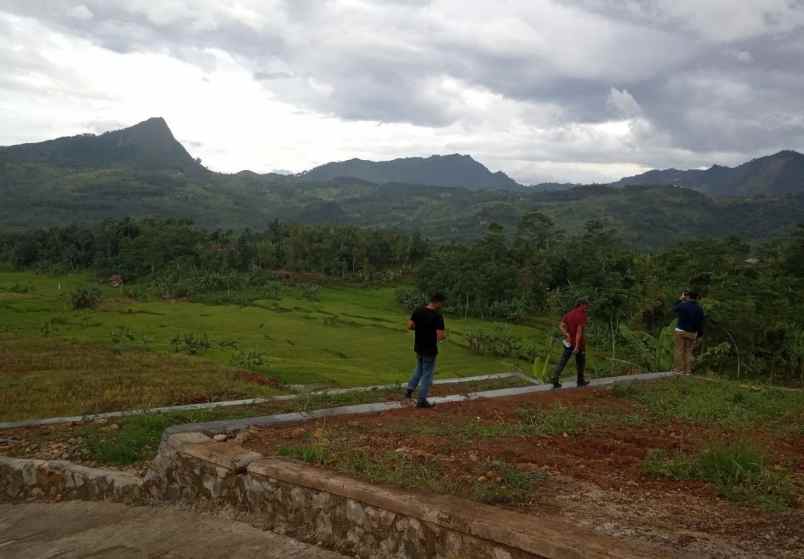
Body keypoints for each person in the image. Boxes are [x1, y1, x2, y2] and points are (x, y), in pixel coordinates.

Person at [405, 292, 447, 408]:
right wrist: (442, 337)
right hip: (430, 349)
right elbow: (440, 336)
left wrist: (420, 328)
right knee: (427, 375)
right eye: (442, 303)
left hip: (418, 346)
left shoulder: (418, 310)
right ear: (437, 302)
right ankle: (421, 400)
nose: (442, 305)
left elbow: (410, 326)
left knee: (419, 369)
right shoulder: (437, 316)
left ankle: (409, 391)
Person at [551, 298, 591, 389]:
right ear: (581, 305)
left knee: (563, 361)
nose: (587, 307)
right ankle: (580, 381)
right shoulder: (581, 315)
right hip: (579, 344)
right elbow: (579, 332)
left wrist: (567, 334)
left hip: (568, 343)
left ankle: (555, 379)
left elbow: (561, 325)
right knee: (580, 363)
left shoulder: (569, 313)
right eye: (586, 305)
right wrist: (577, 346)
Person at [672, 291, 705, 375]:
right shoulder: (699, 309)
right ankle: (687, 371)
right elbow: (700, 323)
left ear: (688, 297)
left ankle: (679, 369)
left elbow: (674, 308)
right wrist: (700, 334)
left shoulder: (683, 305)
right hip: (692, 333)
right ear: (697, 298)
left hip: (680, 331)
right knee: (688, 352)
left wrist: (680, 299)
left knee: (679, 350)